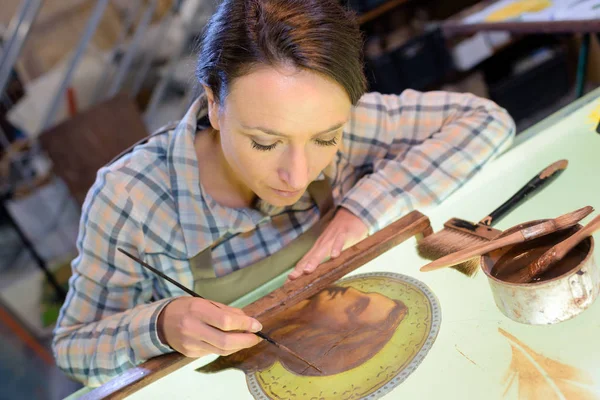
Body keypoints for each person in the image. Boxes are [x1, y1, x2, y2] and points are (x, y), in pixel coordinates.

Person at [53, 0, 515, 387]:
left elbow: (486, 122)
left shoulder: (340, 121)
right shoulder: (130, 198)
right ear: (214, 104)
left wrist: (361, 209)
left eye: (324, 139)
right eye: (265, 143)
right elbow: (73, 347)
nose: (296, 174)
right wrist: (161, 325)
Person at [199, 285, 408, 376]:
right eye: (363, 293)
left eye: (356, 307)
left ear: (335, 335)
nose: (351, 290)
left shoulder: (240, 347)